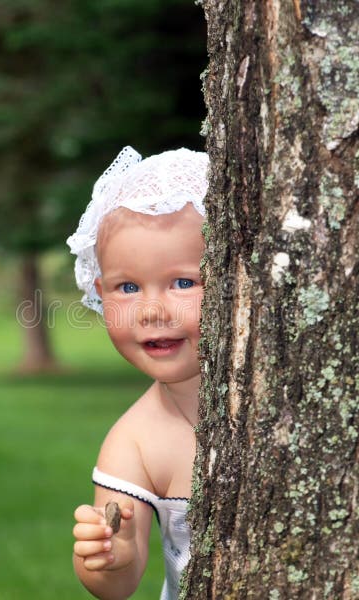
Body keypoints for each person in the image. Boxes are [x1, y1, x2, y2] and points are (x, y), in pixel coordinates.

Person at [67, 146, 208, 600]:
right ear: (98, 291)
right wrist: (112, 555)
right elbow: (116, 586)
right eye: (127, 287)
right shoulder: (135, 440)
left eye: (183, 282)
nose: (151, 311)